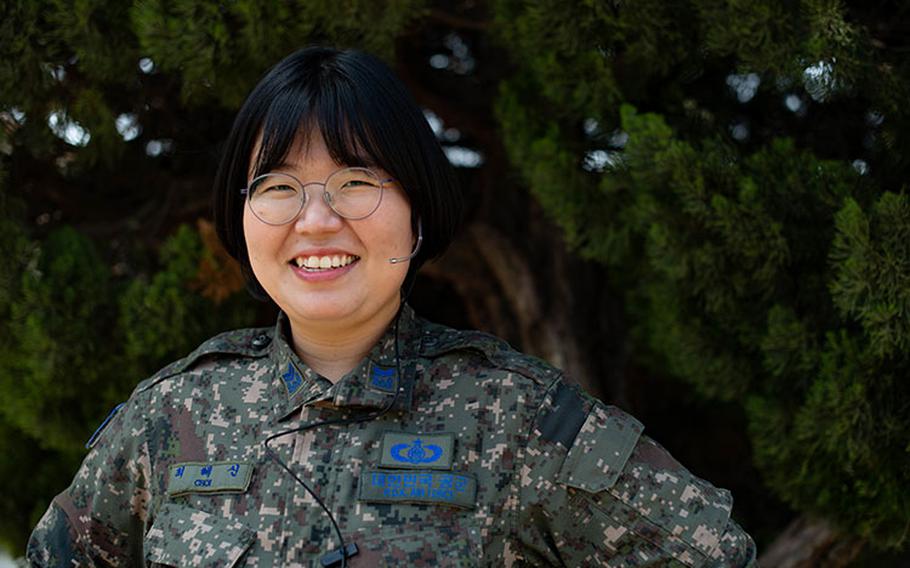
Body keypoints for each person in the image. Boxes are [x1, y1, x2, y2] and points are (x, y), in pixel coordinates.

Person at [27, 46, 757, 567]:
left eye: (356, 180)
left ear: (417, 207)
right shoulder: (169, 420)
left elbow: (710, 551)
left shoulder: (516, 416)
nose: (315, 220)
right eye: (278, 186)